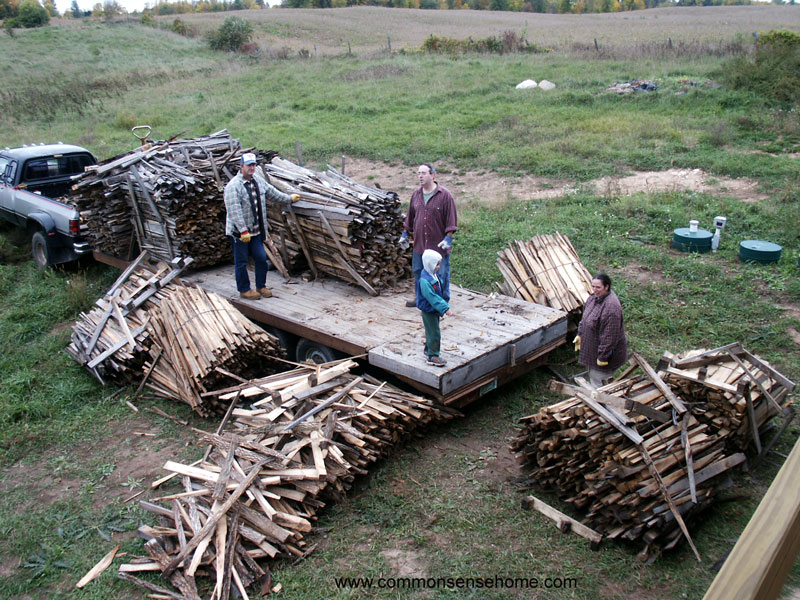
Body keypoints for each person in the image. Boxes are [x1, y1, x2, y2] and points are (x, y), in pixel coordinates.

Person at [224, 153, 300, 300]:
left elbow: (273, 193)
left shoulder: (258, 181)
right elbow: (234, 210)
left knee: (261, 258)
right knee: (241, 262)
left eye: (254, 165)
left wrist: (289, 199)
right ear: (242, 167)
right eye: (249, 165)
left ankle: (261, 285)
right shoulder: (233, 186)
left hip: (257, 230)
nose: (252, 168)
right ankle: (244, 289)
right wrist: (242, 230)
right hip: (240, 233)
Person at [398, 163, 458, 308]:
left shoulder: (444, 196)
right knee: (419, 272)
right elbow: (411, 217)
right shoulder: (416, 195)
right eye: (419, 173)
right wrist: (405, 233)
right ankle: (421, 300)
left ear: (433, 175)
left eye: (424, 173)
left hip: (437, 246)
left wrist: (448, 238)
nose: (420, 176)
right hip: (420, 245)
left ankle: (442, 303)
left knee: (441, 275)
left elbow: (451, 219)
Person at [575, 273, 628, 388]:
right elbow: (585, 318)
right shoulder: (593, 298)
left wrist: (603, 357)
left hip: (605, 356)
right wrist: (580, 334)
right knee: (593, 376)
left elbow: (610, 337)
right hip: (592, 349)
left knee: (600, 384)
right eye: (593, 286)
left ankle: (601, 405)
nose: (594, 290)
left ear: (607, 287)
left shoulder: (611, 308)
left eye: (598, 287)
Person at [418, 249, 453, 367]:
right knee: (435, 332)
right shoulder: (424, 281)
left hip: (433, 310)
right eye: (437, 264)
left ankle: (428, 348)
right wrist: (445, 308)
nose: (438, 267)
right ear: (429, 263)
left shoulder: (431, 274)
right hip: (429, 310)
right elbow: (432, 297)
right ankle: (433, 356)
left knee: (431, 330)